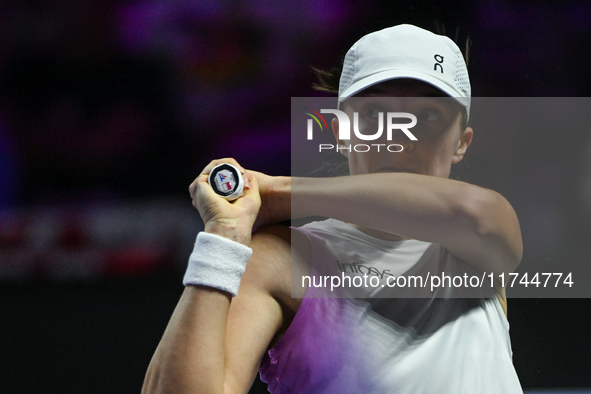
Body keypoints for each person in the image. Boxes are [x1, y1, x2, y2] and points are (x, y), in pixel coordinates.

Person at [142, 24, 523, 393]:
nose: (400, 136)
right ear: (341, 133)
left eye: (427, 117)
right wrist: (223, 238)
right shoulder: (282, 259)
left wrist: (277, 191)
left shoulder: (474, 246)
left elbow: (475, 213)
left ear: (461, 143)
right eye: (375, 115)